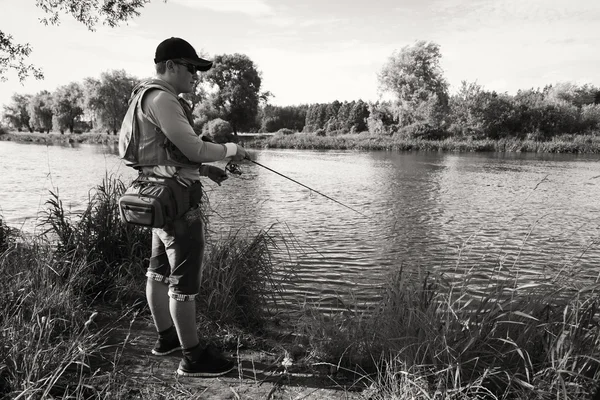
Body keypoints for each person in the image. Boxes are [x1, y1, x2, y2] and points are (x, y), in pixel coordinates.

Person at [118, 37, 250, 377]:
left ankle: (166, 340)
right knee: (184, 280)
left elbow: (164, 153)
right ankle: (193, 358)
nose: (196, 75)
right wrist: (231, 149)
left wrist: (204, 170)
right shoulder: (163, 98)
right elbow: (192, 148)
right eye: (191, 68)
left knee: (157, 271)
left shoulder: (143, 96)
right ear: (171, 66)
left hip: (157, 196)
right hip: (176, 204)